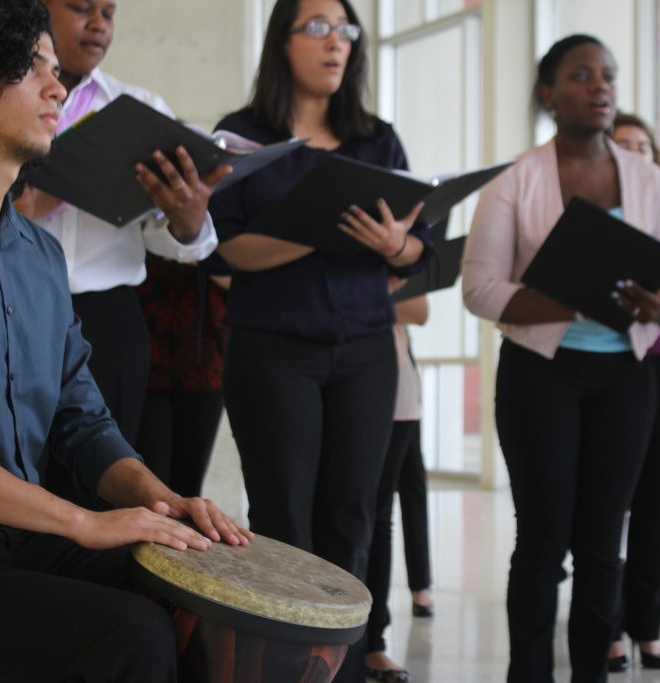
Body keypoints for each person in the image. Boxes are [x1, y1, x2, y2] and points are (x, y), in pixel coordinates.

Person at [0, 2, 250, 680]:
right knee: (132, 633)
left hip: (17, 541)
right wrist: (82, 521)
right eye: (32, 67)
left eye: (54, 67)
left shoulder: (39, 254)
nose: (58, 87)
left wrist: (162, 503)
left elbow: (81, 421)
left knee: (212, 594)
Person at [206, 1, 431, 680]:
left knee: (351, 518)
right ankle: (281, 667)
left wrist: (397, 244)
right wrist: (316, 225)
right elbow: (222, 251)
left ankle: (348, 667)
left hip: (366, 350)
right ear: (283, 41)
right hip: (273, 349)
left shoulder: (377, 140)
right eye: (318, 28)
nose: (336, 43)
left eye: (346, 30)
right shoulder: (240, 137)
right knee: (282, 522)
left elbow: (416, 248)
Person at [462, 34, 660, 683]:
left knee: (601, 544)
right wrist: (571, 297)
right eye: (581, 75)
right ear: (548, 93)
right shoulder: (513, 183)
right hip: (541, 375)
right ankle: (528, 672)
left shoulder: (648, 177)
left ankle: (592, 671)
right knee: (542, 540)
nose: (601, 86)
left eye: (608, 75)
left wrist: (659, 304)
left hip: (627, 376)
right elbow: (479, 288)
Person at [16, 0, 219, 480]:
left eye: (109, 13)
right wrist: (29, 203)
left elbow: (170, 240)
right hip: (14, 307)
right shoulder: (4, 99)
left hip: (106, 322)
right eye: (82, 8)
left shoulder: (140, 111)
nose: (98, 24)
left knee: (101, 475)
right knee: (18, 466)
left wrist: (187, 220)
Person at [606, 112, 660, 671]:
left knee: (654, 502)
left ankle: (648, 626)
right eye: (624, 147)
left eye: (644, 147)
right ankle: (607, 626)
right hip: (605, 366)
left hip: (656, 365)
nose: (637, 155)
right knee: (606, 507)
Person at [365, 285, 434, 683]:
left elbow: (419, 307)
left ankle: (374, 639)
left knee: (375, 516)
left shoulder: (391, 243)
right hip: (315, 374)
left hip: (393, 385)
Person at [135, 259, 229, 498]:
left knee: (189, 486)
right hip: (144, 344)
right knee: (145, 482)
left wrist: (198, 248)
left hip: (206, 350)